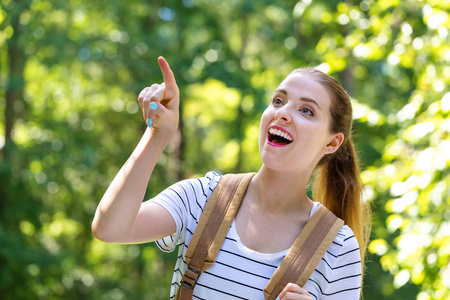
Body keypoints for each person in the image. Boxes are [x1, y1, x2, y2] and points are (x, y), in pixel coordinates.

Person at [92, 57, 371, 300]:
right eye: (278, 100)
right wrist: (157, 136)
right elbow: (109, 228)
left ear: (332, 143)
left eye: (306, 110)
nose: (282, 113)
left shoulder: (339, 248)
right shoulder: (203, 196)